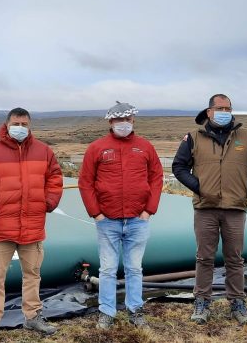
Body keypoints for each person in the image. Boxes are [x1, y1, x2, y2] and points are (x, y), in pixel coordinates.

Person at [171, 94, 247, 326]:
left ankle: (237, 302)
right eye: (219, 108)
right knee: (204, 257)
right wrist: (199, 187)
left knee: (234, 258)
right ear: (209, 111)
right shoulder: (194, 138)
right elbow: (179, 166)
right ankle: (202, 301)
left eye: (228, 107)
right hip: (205, 207)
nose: (224, 111)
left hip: (235, 207)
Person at [0, 107, 64, 339]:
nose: (20, 128)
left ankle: (33, 318)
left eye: (24, 124)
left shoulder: (44, 151)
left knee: (32, 274)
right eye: (16, 124)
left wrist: (49, 201)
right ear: (7, 124)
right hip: (2, 227)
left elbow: (55, 178)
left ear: (30, 126)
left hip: (33, 225)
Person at [78, 101, 163, 330]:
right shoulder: (97, 148)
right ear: (110, 122)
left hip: (138, 219)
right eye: (118, 120)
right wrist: (96, 213)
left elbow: (156, 178)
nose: (122, 124)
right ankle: (107, 312)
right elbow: (85, 182)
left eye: (126, 119)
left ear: (133, 120)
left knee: (135, 268)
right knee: (107, 269)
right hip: (108, 221)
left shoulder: (145, 147)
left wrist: (148, 210)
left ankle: (135, 310)